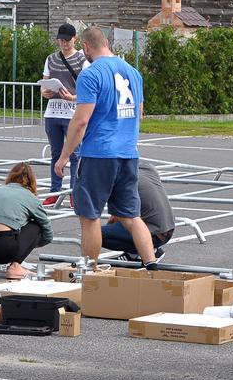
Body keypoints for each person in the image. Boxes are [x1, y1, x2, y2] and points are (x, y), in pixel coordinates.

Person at [54, 26, 158, 268]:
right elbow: (139, 114)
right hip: (128, 153)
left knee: (89, 216)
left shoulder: (90, 74)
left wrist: (63, 156)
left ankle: (88, 270)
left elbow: (80, 121)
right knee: (131, 216)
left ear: (87, 47)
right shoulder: (133, 72)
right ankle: (151, 263)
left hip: (98, 154)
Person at [0, 163, 53, 279]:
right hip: (6, 249)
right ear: (32, 181)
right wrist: (38, 243)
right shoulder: (30, 197)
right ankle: (15, 267)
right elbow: (45, 224)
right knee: (36, 226)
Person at [41, 23, 88, 207]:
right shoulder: (51, 59)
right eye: (61, 40)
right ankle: (55, 191)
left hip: (72, 113)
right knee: (55, 153)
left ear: (74, 39)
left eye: (67, 40)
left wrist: (73, 97)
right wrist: (44, 91)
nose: (63, 44)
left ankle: (73, 193)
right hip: (53, 111)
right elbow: (44, 84)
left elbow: (87, 89)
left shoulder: (83, 60)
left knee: (75, 154)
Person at [102, 159, 175, 262]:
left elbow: (117, 216)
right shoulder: (147, 167)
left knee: (97, 234)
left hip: (155, 233)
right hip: (169, 227)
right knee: (130, 221)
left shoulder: (121, 179)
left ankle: (143, 251)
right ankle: (135, 253)